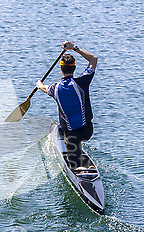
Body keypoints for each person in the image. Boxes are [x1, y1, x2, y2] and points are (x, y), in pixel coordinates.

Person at [36, 41, 98, 170]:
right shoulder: (83, 81)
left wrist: (39, 84)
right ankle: (77, 151)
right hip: (88, 131)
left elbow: (43, 87)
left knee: (74, 164)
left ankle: (75, 162)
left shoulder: (54, 89)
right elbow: (93, 59)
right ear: (74, 68)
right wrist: (75, 48)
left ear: (60, 69)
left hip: (72, 136)